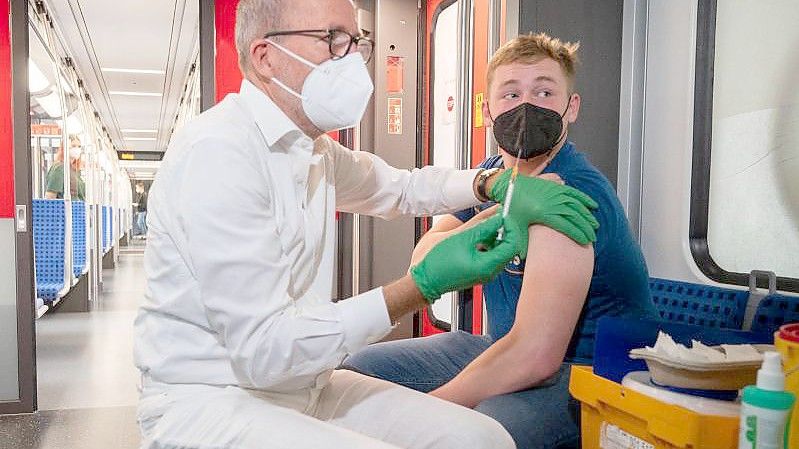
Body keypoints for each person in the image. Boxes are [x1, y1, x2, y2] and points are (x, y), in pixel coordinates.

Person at [133, 1, 598, 448]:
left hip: (302, 386)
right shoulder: (220, 153)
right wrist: (419, 288)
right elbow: (265, 352)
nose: (353, 59)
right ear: (265, 56)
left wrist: (489, 183)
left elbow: (398, 188)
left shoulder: (312, 150)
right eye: (333, 40)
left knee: (482, 438)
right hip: (215, 399)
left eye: (356, 42)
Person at [342, 33, 656, 449]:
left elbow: (536, 357)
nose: (527, 106)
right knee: (359, 370)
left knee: (480, 430)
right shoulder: (491, 176)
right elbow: (423, 257)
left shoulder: (569, 195)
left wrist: (423, 415)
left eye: (545, 91)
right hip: (502, 345)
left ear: (571, 107)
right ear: (487, 111)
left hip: (588, 371)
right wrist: (492, 216)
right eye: (511, 94)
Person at [45, 134, 85, 201]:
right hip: (65, 210)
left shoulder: (75, 170)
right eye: (73, 146)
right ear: (65, 147)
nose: (77, 149)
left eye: (79, 146)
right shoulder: (59, 168)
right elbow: (50, 197)